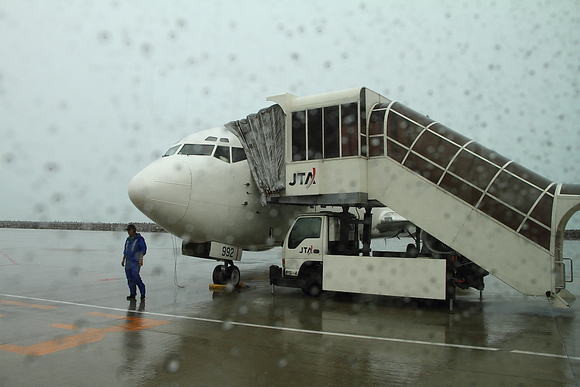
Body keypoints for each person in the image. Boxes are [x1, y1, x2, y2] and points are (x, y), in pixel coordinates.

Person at [122, 224, 147, 300]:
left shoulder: (139, 239)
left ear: (133, 230)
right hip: (128, 261)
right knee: (129, 278)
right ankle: (132, 294)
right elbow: (125, 250)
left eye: (129, 230)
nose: (128, 232)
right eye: (128, 231)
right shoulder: (128, 239)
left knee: (135, 276)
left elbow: (143, 249)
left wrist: (141, 259)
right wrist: (123, 259)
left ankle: (142, 293)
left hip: (135, 261)